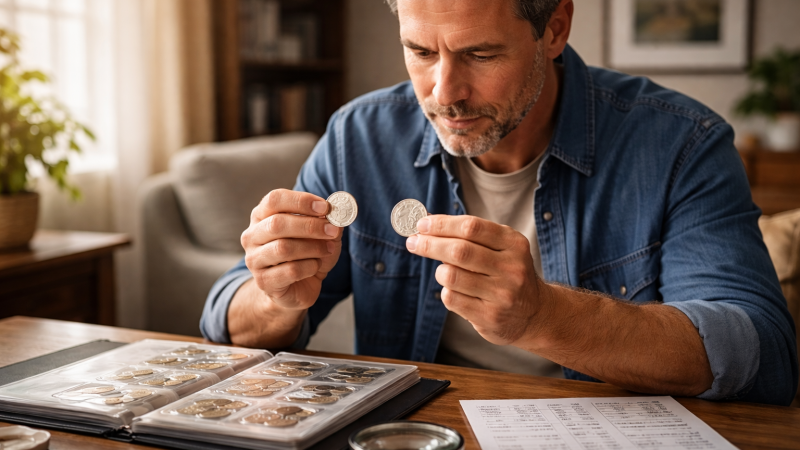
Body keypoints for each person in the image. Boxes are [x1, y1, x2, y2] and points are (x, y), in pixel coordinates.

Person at [201, 0, 798, 405]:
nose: (444, 94)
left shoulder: (681, 143)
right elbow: (224, 320)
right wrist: (275, 297)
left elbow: (762, 354)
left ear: (555, 27)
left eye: (481, 55)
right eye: (421, 52)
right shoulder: (359, 137)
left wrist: (544, 317)